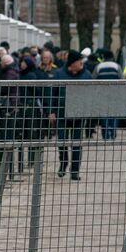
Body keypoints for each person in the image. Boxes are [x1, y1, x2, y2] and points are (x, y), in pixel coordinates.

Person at [51, 49, 92, 179]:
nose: (82, 63)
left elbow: (92, 94)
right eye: (79, 61)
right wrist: (52, 111)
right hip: (62, 113)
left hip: (79, 114)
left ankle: (75, 171)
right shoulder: (59, 74)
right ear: (72, 63)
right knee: (62, 142)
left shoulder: (86, 75)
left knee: (76, 144)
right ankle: (63, 164)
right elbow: (53, 94)